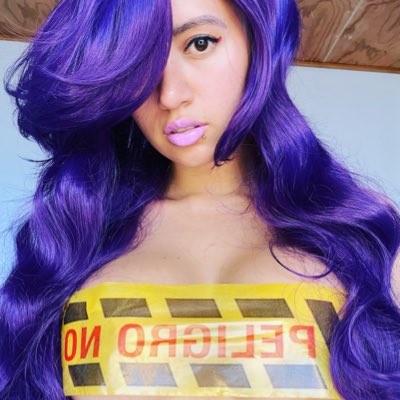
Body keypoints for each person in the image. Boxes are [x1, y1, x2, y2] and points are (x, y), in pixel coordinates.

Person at [1, 0, 399, 399]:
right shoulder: (73, 236)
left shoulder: (366, 233)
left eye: (200, 43)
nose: (170, 94)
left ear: (258, 41)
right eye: (139, 64)